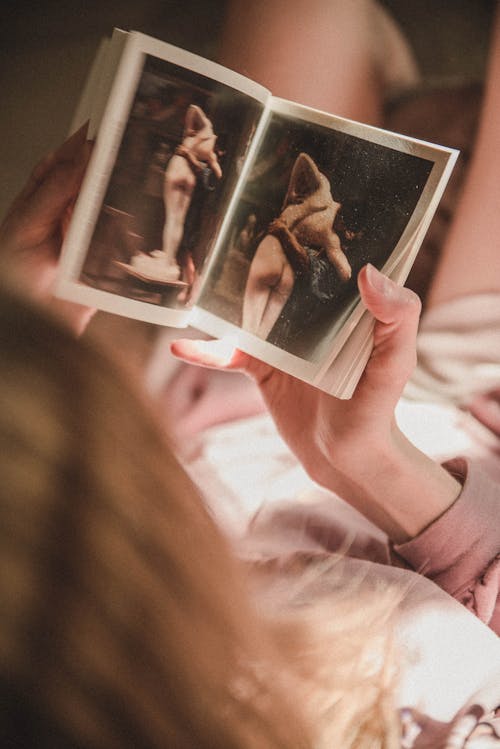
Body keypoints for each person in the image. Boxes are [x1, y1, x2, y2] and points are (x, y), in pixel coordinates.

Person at [1, 122, 500, 747]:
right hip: (451, 441)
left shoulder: (94, 620)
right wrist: (379, 468)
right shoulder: (402, 704)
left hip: (249, 414)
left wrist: (33, 352)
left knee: (300, 20)